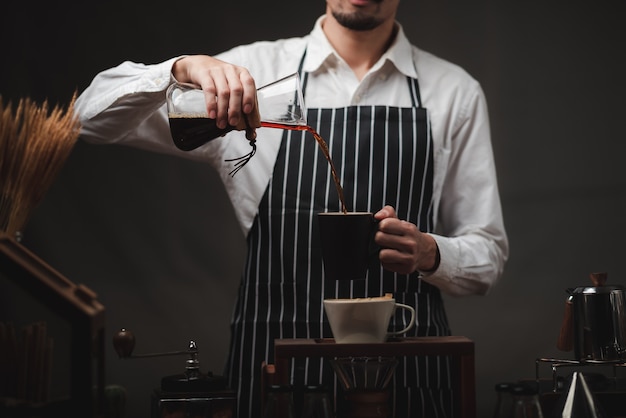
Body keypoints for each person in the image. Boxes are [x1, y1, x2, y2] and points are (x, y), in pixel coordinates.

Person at [75, 0, 508, 416]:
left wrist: (431, 253)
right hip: (276, 371)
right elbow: (85, 120)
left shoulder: (453, 91)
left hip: (405, 378)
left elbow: (487, 257)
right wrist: (181, 67)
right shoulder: (250, 75)